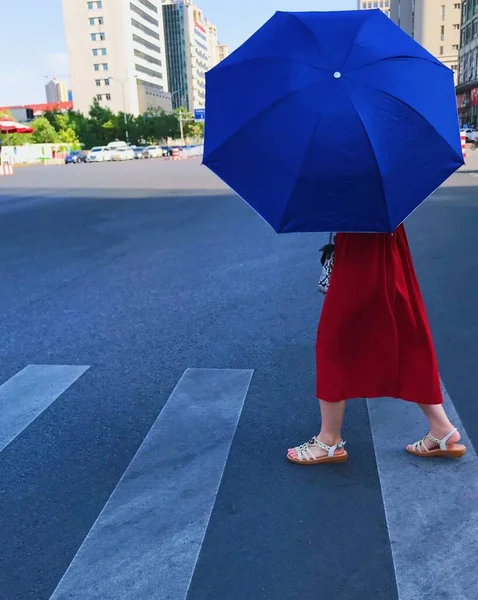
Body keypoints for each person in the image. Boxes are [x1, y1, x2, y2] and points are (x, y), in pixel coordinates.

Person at [287, 224, 467, 465]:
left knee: (335, 340)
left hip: (361, 240)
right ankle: (441, 427)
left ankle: (329, 439)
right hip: (388, 238)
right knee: (405, 334)